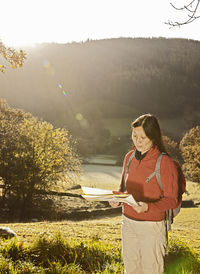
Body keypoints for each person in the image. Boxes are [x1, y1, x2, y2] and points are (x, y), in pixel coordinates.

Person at [110, 114, 181, 274]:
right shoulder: (129, 158)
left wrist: (148, 207)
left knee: (151, 270)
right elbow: (123, 188)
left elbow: (172, 200)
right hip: (127, 224)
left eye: (143, 137)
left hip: (152, 228)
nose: (138, 141)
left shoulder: (164, 163)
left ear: (153, 137)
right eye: (135, 136)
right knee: (131, 270)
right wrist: (117, 200)